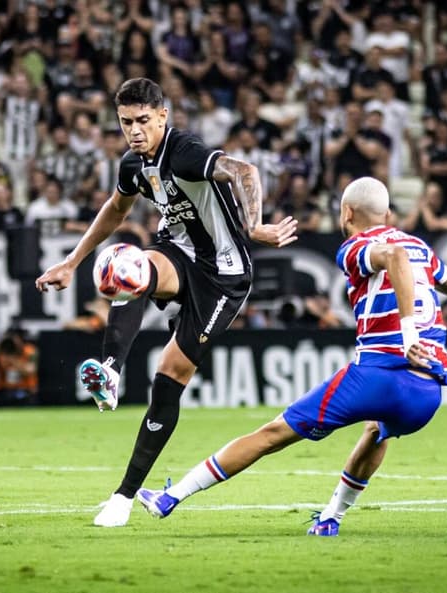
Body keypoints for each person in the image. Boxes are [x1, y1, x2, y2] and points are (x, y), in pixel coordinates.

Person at [35, 78, 298, 527]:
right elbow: (116, 209)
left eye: (142, 120)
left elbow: (245, 171)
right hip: (177, 253)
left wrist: (254, 225)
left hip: (223, 277)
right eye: (125, 123)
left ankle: (124, 496)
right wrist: (72, 262)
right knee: (128, 265)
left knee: (169, 378)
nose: (134, 131)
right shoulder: (133, 164)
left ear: (162, 116)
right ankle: (110, 372)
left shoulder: (185, 151)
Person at [134, 177, 447, 536]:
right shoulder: (419, 247)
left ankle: (171, 496)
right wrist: (436, 287)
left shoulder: (356, 246)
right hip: (426, 393)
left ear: (347, 212)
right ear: (386, 213)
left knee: (272, 434)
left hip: (380, 374)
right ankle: (331, 518)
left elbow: (393, 257)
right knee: (377, 431)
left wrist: (409, 333)